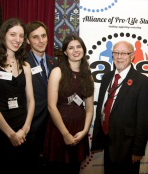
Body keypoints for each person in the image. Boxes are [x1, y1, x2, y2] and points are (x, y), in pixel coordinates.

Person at [0, 18, 35, 171]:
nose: (17, 40)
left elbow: (31, 100)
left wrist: (24, 130)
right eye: (13, 34)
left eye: (21, 36)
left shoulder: (26, 65)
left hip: (22, 133)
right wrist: (11, 134)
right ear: (4, 35)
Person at [91, 41, 148, 174]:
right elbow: (101, 108)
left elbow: (144, 120)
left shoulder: (143, 82)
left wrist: (138, 150)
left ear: (132, 56)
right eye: (116, 53)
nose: (119, 56)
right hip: (108, 141)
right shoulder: (107, 77)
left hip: (127, 146)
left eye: (124, 53)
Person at [43, 34, 94, 173]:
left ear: (83, 49)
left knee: (74, 169)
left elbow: (89, 108)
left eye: (78, 46)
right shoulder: (57, 72)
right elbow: (51, 106)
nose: (75, 50)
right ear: (65, 52)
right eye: (71, 48)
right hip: (59, 131)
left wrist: (84, 131)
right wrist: (65, 134)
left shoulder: (87, 74)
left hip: (79, 130)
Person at [25, 21, 58, 168]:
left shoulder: (54, 62)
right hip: (32, 126)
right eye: (35, 37)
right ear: (27, 40)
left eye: (43, 36)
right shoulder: (22, 62)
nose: (41, 41)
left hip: (52, 126)